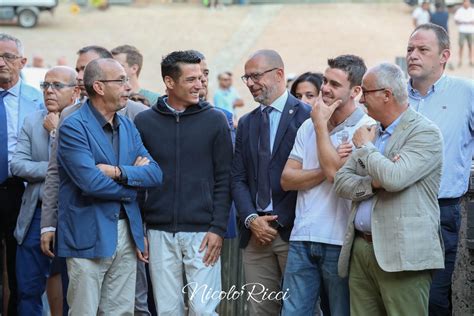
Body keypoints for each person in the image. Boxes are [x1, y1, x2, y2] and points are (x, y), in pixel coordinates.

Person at [39, 45, 150, 316]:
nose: (79, 76)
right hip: (83, 227)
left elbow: (153, 172)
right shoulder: (70, 118)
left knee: (127, 307)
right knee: (82, 306)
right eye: (77, 69)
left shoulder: (136, 114)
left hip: (126, 229)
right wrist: (48, 223)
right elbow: (60, 173)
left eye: (83, 69)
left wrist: (119, 174)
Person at [334, 62, 445, 316]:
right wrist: (374, 183)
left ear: (387, 94)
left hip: (402, 254)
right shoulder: (372, 132)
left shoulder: (424, 132)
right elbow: (341, 182)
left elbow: (394, 179)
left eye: (366, 92)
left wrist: (366, 150)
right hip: (361, 249)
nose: (361, 100)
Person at [134, 50, 233, 316]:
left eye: (201, 78)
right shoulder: (144, 122)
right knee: (167, 311)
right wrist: (140, 229)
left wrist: (218, 229)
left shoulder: (215, 120)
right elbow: (137, 182)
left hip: (203, 233)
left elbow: (225, 178)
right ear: (169, 82)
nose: (199, 85)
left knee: (203, 310)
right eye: (191, 80)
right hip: (157, 231)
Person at [280, 55, 373, 316]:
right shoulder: (306, 127)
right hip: (302, 236)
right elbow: (287, 179)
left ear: (356, 91)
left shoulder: (366, 128)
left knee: (340, 311)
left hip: (340, 240)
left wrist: (321, 126)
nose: (325, 89)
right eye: (325, 80)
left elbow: (336, 177)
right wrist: (329, 163)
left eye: (335, 84)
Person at [231, 49, 311, 315]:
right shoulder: (246, 123)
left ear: (278, 74)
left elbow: (310, 176)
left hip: (293, 232)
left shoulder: (308, 117)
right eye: (247, 78)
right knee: (261, 309)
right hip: (255, 236)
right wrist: (252, 219)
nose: (251, 83)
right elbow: (238, 178)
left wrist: (277, 221)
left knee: (300, 308)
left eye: (255, 76)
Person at [406, 23, 474, 315]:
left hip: (441, 210)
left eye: (423, 50)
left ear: (445, 55)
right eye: (410, 49)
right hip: (394, 209)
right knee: (399, 298)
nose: (413, 55)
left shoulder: (466, 93)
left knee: (433, 300)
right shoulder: (393, 94)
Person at [11, 66, 79, 316]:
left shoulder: (84, 122)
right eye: (45, 85)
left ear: (75, 92)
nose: (49, 91)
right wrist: (54, 169)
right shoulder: (32, 120)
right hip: (35, 215)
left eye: (57, 86)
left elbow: (83, 169)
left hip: (73, 216)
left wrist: (56, 133)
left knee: (74, 289)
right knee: (28, 289)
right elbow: (17, 164)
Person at [0, 33, 44, 316]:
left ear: (22, 62)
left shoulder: (37, 99)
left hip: (21, 190)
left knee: (20, 267)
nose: (1, 63)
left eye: (7, 57)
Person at [454, 0, 474, 67]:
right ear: (463, 3)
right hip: (462, 30)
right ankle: (460, 61)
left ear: (469, 3)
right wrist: (463, 22)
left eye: (467, 2)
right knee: (461, 46)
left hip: (470, 31)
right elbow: (456, 20)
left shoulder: (472, 10)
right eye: (465, 2)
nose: (466, 3)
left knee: (470, 46)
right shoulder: (459, 11)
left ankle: (471, 60)